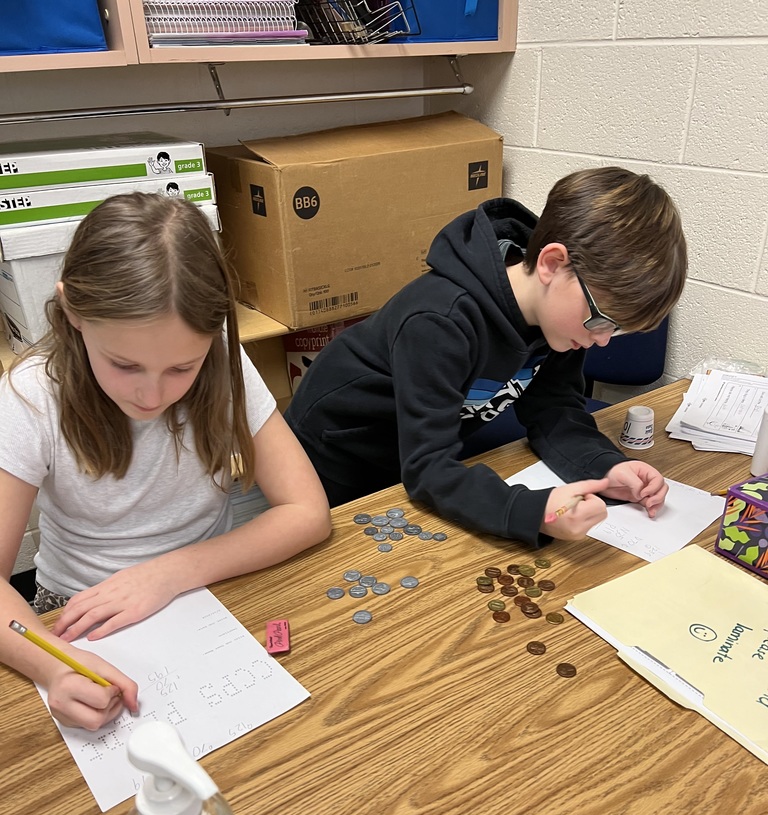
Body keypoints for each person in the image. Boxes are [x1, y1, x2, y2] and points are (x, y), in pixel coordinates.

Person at [0, 192, 331, 732]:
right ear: (73, 311)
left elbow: (308, 511)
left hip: (209, 584)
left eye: (182, 368)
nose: (152, 396)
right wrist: (52, 668)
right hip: (79, 610)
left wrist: (172, 572)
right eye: (125, 364)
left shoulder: (223, 361)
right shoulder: (32, 396)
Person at [285, 166, 687, 546]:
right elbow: (428, 468)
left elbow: (555, 410)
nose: (602, 341)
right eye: (601, 320)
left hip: (417, 452)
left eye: (616, 330)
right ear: (552, 263)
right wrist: (533, 513)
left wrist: (606, 467)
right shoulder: (440, 320)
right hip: (335, 461)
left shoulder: (559, 325)